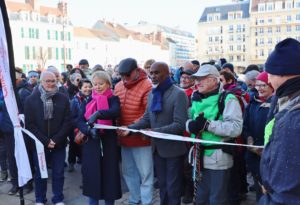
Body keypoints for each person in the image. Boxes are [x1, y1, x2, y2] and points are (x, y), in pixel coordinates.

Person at [120, 62, 189, 205]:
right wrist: (130, 128)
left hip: (173, 150)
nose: (153, 76)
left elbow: (179, 124)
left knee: (172, 188)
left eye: (157, 73)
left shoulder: (179, 94)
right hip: (157, 149)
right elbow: (147, 118)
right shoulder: (153, 93)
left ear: (168, 73)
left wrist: (154, 132)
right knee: (162, 186)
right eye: (151, 73)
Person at [186, 64, 243, 205]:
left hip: (218, 159)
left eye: (202, 78)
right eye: (197, 78)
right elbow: (189, 119)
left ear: (215, 80)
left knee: (217, 200)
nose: (198, 82)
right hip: (198, 158)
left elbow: (236, 128)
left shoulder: (228, 99)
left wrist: (208, 125)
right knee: (200, 199)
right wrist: (190, 126)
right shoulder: (196, 97)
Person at [259, 38, 300, 204]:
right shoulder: (287, 101)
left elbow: (285, 189)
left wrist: (268, 191)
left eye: (270, 73)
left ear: (283, 72)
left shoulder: (293, 118)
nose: (268, 80)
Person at [24, 71, 71, 205]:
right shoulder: (31, 100)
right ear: (41, 82)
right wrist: (45, 141)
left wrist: (55, 140)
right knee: (40, 174)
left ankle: (58, 199)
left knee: (59, 173)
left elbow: (67, 122)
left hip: (59, 143)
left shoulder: (63, 98)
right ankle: (40, 199)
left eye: (53, 81)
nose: (51, 84)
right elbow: (30, 125)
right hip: (39, 144)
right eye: (47, 81)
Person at [77, 71, 122, 205]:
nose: (97, 87)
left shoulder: (113, 99)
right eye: (95, 84)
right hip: (92, 143)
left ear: (108, 84)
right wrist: (89, 131)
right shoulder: (89, 100)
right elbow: (79, 120)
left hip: (108, 143)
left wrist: (98, 114)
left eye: (101, 84)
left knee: (109, 176)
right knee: (92, 177)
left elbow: (115, 111)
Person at [114, 58, 154, 205]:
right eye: (121, 75)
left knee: (145, 174)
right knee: (129, 172)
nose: (124, 79)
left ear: (136, 71)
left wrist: (131, 128)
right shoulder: (118, 86)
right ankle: (134, 199)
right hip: (124, 138)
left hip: (141, 138)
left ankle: (147, 201)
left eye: (127, 75)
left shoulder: (147, 86)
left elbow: (148, 115)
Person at [243, 72, 274, 202]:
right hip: (254, 154)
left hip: (269, 156)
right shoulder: (253, 103)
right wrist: (249, 142)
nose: (259, 88)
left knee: (269, 190)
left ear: (272, 86)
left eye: (263, 85)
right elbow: (246, 126)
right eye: (258, 85)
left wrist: (266, 150)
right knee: (258, 187)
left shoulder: (276, 104)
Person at [68, 79, 92, 172]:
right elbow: (72, 116)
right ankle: (71, 162)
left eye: (90, 86)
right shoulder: (75, 100)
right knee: (74, 145)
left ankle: (84, 167)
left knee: (85, 149)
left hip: (87, 127)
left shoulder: (93, 97)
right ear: (80, 88)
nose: (88, 89)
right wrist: (79, 126)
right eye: (85, 87)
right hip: (76, 127)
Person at [179, 68, 196, 204]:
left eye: (187, 78)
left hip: (188, 135)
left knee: (188, 166)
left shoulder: (194, 94)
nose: (184, 80)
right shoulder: (178, 92)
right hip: (177, 134)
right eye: (182, 77)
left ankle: (189, 192)